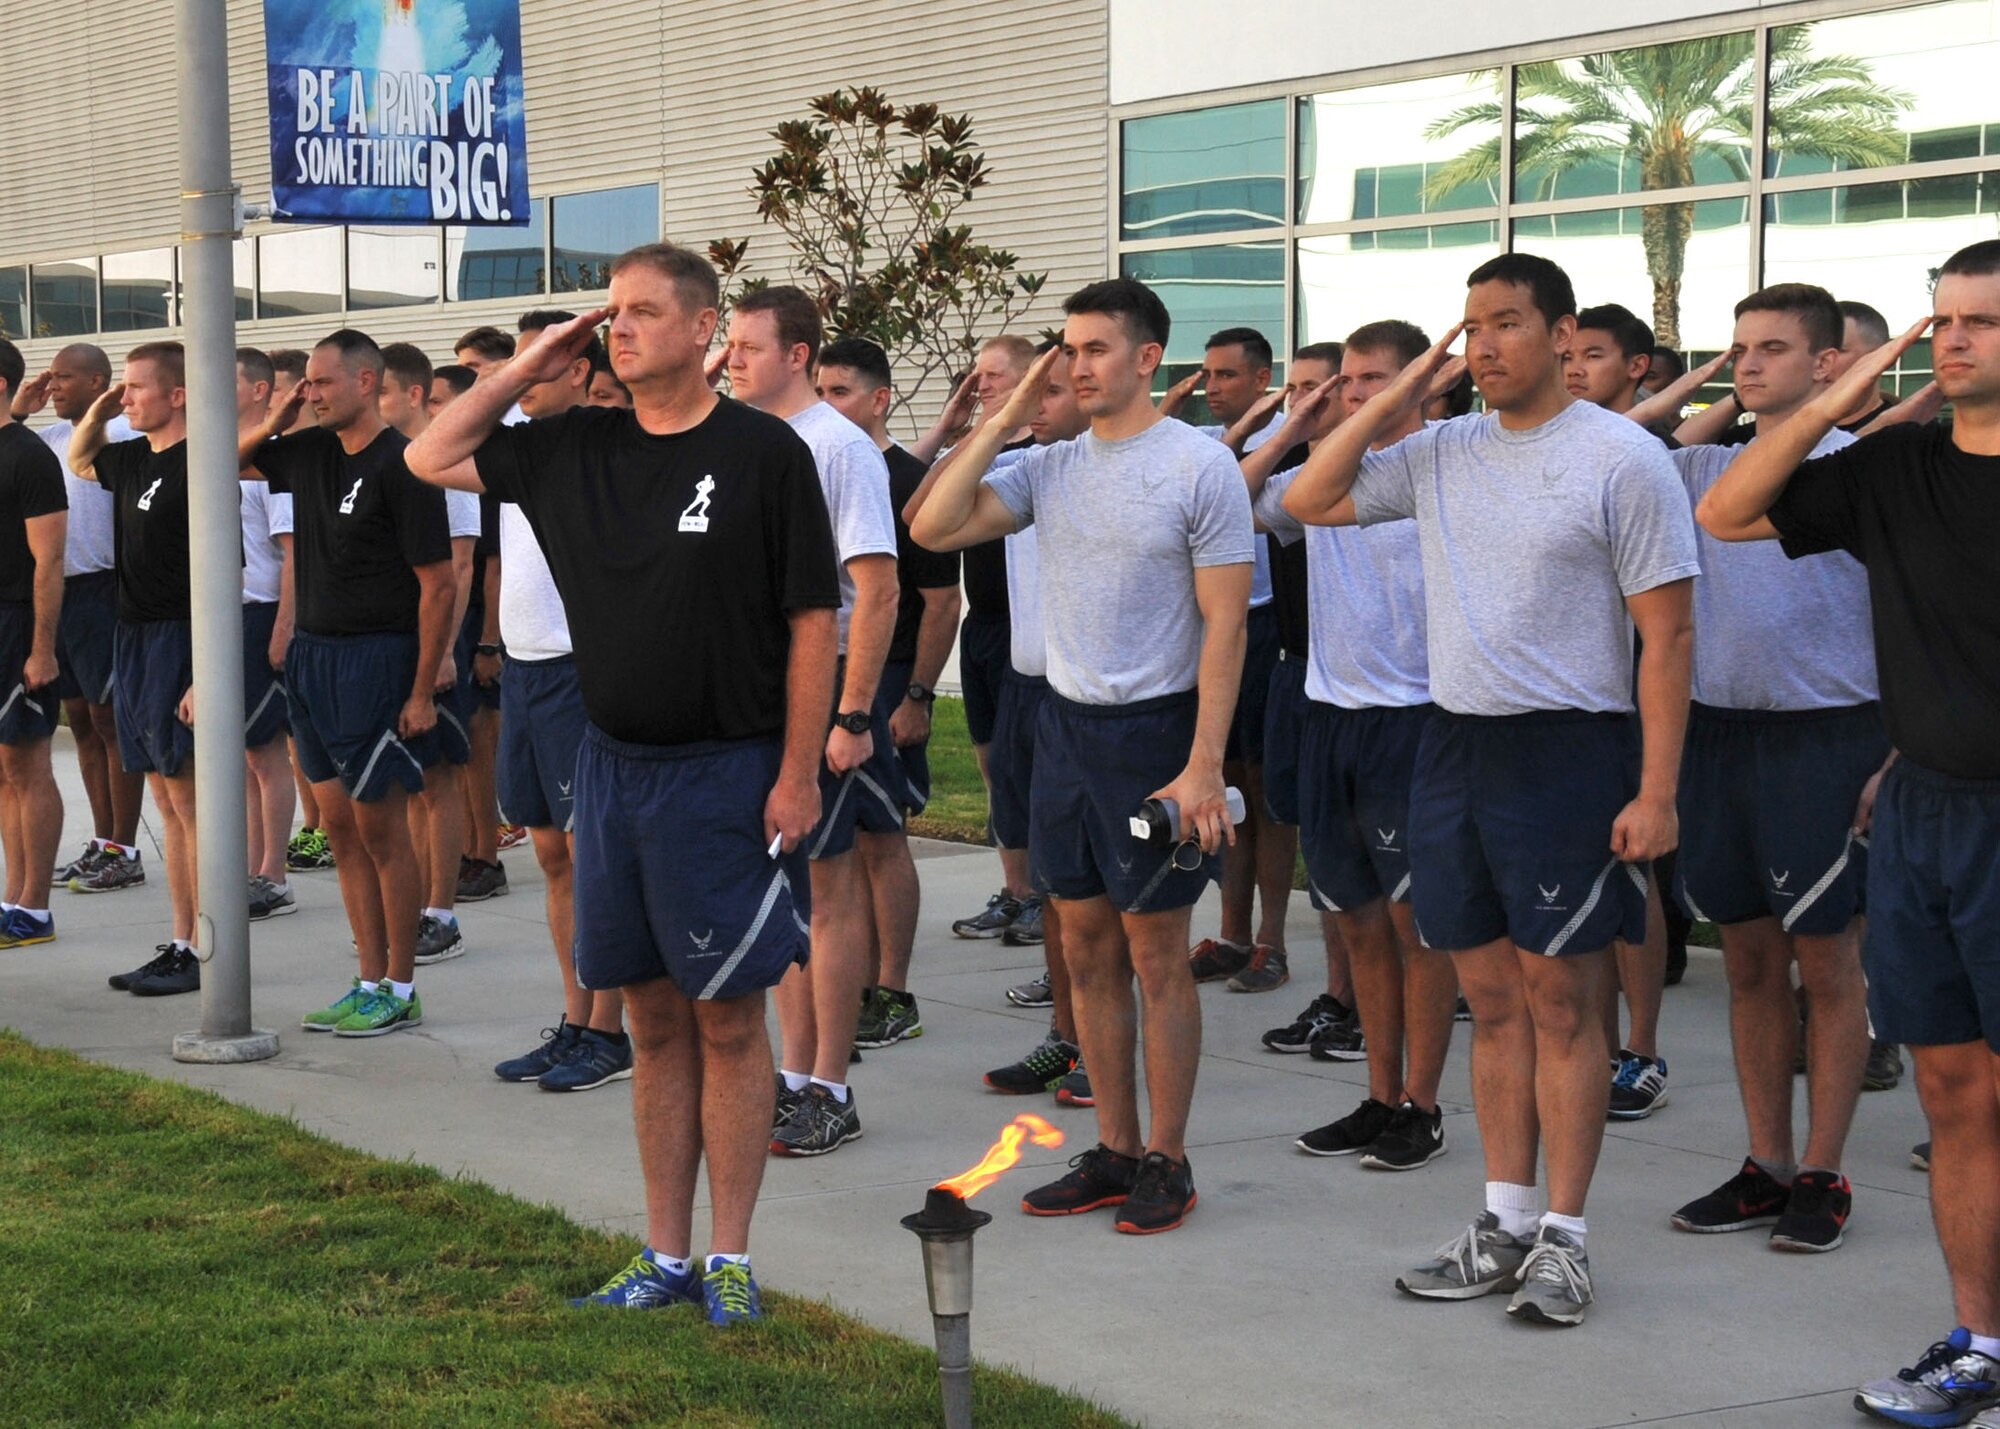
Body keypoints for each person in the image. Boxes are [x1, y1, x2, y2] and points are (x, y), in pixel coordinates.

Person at [407, 241, 841, 1324]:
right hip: (611, 771)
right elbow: (430, 454)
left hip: (726, 774)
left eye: (642, 310)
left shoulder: (761, 453)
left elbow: (812, 622)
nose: (619, 326)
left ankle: (731, 1256)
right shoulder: (570, 448)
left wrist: (795, 773)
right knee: (648, 1020)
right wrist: (526, 361)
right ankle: (662, 1251)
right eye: (611, 313)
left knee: (730, 1021)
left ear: (705, 330)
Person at [1283, 253, 1698, 1325]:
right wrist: (1402, 385)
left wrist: (1655, 788)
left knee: (1561, 999)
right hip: (1448, 745)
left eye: (1504, 324)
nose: (1484, 346)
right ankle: (1503, 1219)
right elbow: (1306, 495)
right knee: (1492, 999)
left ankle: (1564, 1235)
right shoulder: (1436, 452)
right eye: (1468, 329)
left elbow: (1667, 635)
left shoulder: (1620, 457)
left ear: (1559, 337)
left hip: (1569, 752)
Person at [1695, 240, 2000, 1426]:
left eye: (1981, 320)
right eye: (1942, 320)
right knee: (1947, 1086)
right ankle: (1980, 1341)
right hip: (1927, 810)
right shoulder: (1893, 466)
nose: (1955, 339)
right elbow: (1727, 508)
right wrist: (1830, 401)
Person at [912, 276, 1255, 1236]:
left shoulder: (1199, 467)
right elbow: (931, 524)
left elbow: (1226, 625)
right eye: (1068, 348)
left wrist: (1203, 764)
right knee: (1085, 947)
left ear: (1148, 357)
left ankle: (1168, 1158)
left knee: (1158, 956)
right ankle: (1112, 1143)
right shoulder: (1047, 466)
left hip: (1158, 736)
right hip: (1063, 728)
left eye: (1096, 347)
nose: (1078, 364)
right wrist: (1017, 405)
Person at [1623, 283, 1882, 1255]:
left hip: (1827, 736)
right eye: (1738, 348)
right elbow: (1620, 437)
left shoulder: (1867, 469)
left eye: (1771, 348)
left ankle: (1820, 1169)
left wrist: (1891, 745)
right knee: (1741, 959)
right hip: (1716, 737)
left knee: (1827, 960)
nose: (1747, 363)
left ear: (1827, 363)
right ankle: (1764, 1161)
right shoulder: (1693, 467)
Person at [1241, 325, 1460, 1170]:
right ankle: (1379, 1094)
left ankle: (1425, 1104)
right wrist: (1297, 424)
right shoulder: (1321, 476)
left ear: (1426, 382)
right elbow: (1231, 498)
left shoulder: (1447, 462)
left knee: (1419, 930)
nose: (1360, 393)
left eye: (1380, 379)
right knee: (1357, 921)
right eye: (1350, 381)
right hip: (1330, 715)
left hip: (1419, 721)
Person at [240, 328, 454, 1038]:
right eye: (308, 383)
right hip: (312, 658)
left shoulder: (406, 463)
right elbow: (233, 453)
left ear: (367, 382)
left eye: (323, 382)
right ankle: (365, 978)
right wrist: (283, 409)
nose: (312, 393)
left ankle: (400, 984)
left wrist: (421, 689)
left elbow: (439, 584)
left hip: (377, 660)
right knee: (337, 826)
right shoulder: (307, 451)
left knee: (381, 829)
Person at [724, 286, 898, 1156]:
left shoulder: (840, 448)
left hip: (824, 681)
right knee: (785, 891)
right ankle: (793, 1076)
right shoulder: (747, 442)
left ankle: (831, 1083)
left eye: (749, 346)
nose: (731, 358)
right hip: (760, 683)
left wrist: (853, 710)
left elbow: (877, 587)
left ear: (798, 354)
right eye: (729, 342)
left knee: (828, 893)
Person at [486, 308, 633, 1094]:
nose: (522, 376)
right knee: (549, 854)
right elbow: (434, 447)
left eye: (540, 361)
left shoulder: (605, 444)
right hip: (525, 668)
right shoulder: (518, 443)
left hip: (582, 672)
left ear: (578, 370)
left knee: (591, 859)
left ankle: (609, 1031)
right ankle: (576, 1020)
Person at [813, 337, 962, 1051]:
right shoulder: (809, 463)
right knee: (829, 851)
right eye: (819, 389)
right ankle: (851, 983)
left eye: (840, 391)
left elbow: (940, 601)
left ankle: (894, 990)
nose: (826, 403)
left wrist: (918, 695)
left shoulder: (910, 480)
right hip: (820, 677)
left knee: (883, 839)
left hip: (883, 686)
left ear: (880, 399)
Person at [973, 339, 1094, 1106]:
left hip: (1104, 703)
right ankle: (1067, 1036)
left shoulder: (1126, 465)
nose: (1031, 407)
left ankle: (1108, 1047)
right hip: (1030, 688)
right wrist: (996, 421)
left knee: (1112, 901)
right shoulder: (1023, 466)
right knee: (1052, 885)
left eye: (1040, 393)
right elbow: (927, 514)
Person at [1167, 327, 1296, 994]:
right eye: (1207, 375)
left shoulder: (1290, 449)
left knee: (1269, 796)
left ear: (1260, 379)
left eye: (1226, 375)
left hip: (1271, 630)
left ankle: (1271, 940)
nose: (1212, 387)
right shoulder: (1198, 448)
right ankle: (1233, 931)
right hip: (1217, 632)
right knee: (1231, 788)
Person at [70, 343, 201, 991]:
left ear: (178, 395)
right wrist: (99, 408)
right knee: (166, 800)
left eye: (137, 388)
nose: (127, 398)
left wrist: (207, 671)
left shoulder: (198, 465)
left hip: (181, 639)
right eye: (122, 388)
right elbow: (79, 457)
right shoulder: (130, 458)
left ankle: (204, 948)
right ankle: (183, 940)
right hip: (135, 636)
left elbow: (220, 576)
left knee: (190, 801)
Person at [1252, 345, 1364, 1064]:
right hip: (1305, 677)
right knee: (1325, 857)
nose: (1306, 401)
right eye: (1295, 390)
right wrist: (1290, 432)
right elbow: (1229, 499)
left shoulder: (1396, 474)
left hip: (1391, 701)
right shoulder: (1299, 479)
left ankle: (1370, 1008)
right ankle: (1340, 994)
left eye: (1320, 389)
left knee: (1388, 873)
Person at [918, 336, 1044, 946]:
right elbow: (919, 511)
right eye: (978, 375)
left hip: (1032, 630)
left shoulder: (1043, 453)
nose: (983, 384)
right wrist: (964, 431)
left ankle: (1048, 894)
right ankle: (1016, 889)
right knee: (992, 764)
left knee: (1032, 772)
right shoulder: (982, 450)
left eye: (995, 376)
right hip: (985, 624)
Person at [10, 343, 144, 892]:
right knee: (80, 722)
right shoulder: (45, 440)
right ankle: (101, 840)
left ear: (98, 381)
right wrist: (18, 410)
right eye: (50, 377)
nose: (54, 385)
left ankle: (124, 848)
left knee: (113, 720)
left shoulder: (124, 439)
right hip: (56, 595)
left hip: (105, 590)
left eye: (65, 377)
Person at [381, 342, 486, 965]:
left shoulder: (447, 462)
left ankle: (441, 913)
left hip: (439, 640)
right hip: (401, 638)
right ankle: (416, 904)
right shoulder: (395, 459)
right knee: (411, 781)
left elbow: (463, 565)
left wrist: (444, 649)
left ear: (415, 394)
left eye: (385, 391)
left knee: (438, 778)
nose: (377, 401)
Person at [0, 338, 68, 950]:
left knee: (27, 764)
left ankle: (36, 908)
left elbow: (49, 562)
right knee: (2, 770)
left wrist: (42, 649)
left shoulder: (30, 458)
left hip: (18, 623)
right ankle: (11, 897)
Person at [233, 349, 297, 920]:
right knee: (243, 755)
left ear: (258, 390)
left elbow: (291, 554)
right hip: (225, 617)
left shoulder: (271, 464)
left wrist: (282, 630)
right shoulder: (222, 454)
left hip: (262, 612)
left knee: (266, 751)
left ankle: (273, 874)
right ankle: (251, 868)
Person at [270, 348, 335, 877]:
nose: (301, 397)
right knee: (295, 741)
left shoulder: (324, 456)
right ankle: (316, 826)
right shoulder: (289, 453)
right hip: (308, 632)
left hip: (323, 630)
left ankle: (318, 827)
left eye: (306, 388)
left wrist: (282, 629)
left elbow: (291, 554)